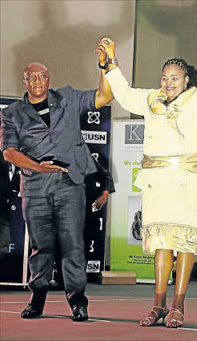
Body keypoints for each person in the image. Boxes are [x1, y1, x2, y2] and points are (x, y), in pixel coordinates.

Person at [99, 37, 197, 328]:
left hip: (186, 180)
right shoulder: (151, 99)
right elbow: (123, 93)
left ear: (186, 80)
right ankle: (158, 304)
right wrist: (112, 59)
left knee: (183, 242)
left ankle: (179, 305)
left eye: (174, 78)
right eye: (164, 77)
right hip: (156, 181)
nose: (168, 82)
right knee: (161, 243)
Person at [0, 47, 113, 321]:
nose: (37, 81)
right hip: (35, 186)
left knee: (73, 243)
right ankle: (37, 297)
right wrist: (37, 166)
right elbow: (8, 151)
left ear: (49, 79)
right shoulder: (12, 113)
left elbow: (105, 95)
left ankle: (77, 301)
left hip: (69, 183)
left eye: (42, 76)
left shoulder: (68, 98)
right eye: (31, 77)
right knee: (41, 245)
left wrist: (104, 66)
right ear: (24, 81)